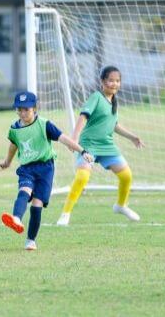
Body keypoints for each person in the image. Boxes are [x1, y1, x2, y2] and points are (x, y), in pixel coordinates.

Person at [0, 91, 93, 250]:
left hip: (45, 169)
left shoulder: (44, 124)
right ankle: (16, 218)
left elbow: (64, 139)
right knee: (24, 191)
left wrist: (82, 151)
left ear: (35, 108)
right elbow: (13, 145)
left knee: (37, 204)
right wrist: (7, 161)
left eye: (26, 109)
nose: (22, 113)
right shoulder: (14, 128)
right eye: (19, 109)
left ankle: (30, 240)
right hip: (26, 168)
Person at [57, 66, 145, 226]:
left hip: (107, 146)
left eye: (117, 81)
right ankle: (65, 213)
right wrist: (74, 140)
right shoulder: (96, 97)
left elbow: (114, 125)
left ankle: (121, 205)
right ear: (103, 82)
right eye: (111, 80)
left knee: (126, 175)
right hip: (89, 145)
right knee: (82, 177)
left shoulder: (113, 102)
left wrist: (133, 137)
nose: (114, 84)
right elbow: (83, 117)